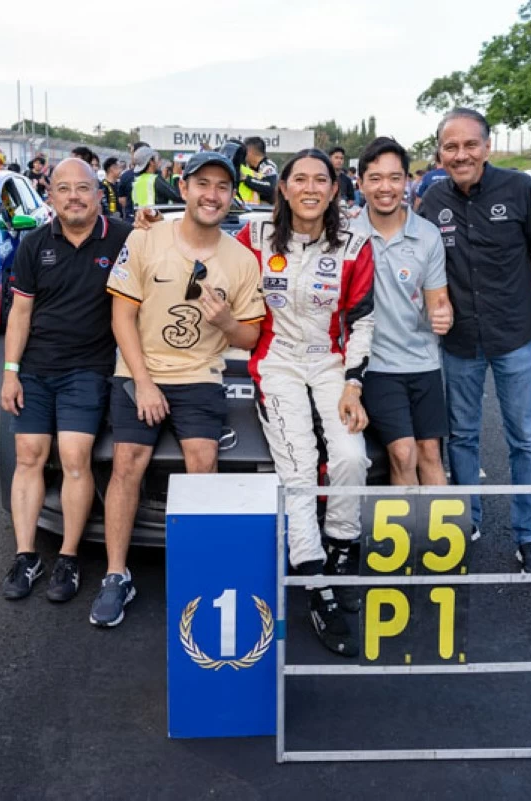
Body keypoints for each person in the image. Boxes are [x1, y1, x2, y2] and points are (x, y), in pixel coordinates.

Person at [100, 150, 264, 627]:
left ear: (231, 196)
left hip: (199, 376)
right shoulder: (146, 238)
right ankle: (115, 575)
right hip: (140, 371)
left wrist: (226, 321)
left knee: (203, 461)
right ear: (185, 188)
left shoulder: (242, 260)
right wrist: (145, 383)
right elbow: (121, 315)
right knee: (128, 462)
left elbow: (250, 336)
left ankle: (198, 574)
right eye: (202, 184)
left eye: (221, 187)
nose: (211, 195)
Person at [234, 147, 375, 656]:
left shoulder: (356, 244)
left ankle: (341, 548)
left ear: (334, 189)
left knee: (351, 456)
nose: (311, 188)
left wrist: (354, 383)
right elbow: (201, 249)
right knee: (298, 469)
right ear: (285, 187)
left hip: (331, 362)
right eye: (300, 179)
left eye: (322, 179)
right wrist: (147, 227)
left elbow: (362, 320)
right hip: (276, 362)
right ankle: (315, 584)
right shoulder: (252, 237)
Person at [418, 108, 531, 573]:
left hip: (515, 336)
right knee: (462, 437)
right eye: (451, 147)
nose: (461, 155)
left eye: (470, 145)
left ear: (487, 147)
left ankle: (529, 536)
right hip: (459, 343)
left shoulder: (521, 189)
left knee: (525, 438)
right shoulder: (432, 201)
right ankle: (467, 520)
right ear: (440, 153)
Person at [0, 158, 133, 602]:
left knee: (75, 455)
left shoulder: (123, 238)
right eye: (63, 189)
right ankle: (26, 556)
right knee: (29, 454)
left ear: (99, 194)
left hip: (88, 368)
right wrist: (10, 372)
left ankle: (69, 557)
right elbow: (19, 313)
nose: (73, 196)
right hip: (35, 368)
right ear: (50, 196)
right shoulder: (34, 244)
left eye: (83, 188)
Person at [354, 138, 454, 493]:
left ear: (407, 181)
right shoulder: (346, 235)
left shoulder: (427, 235)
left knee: (430, 452)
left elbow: (438, 301)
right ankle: (410, 545)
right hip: (377, 366)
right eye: (376, 178)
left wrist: (443, 315)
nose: (386, 188)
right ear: (361, 182)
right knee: (403, 452)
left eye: (395, 178)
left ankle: (439, 546)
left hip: (424, 361)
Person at [238, 136, 278, 204]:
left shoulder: (267, 166)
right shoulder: (250, 167)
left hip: (267, 210)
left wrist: (246, 179)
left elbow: (270, 187)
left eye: (244, 151)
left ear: (249, 152)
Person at [117, 141, 150, 219]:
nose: (131, 156)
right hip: (154, 219)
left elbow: (123, 201)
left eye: (132, 153)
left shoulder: (126, 176)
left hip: (132, 219)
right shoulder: (157, 175)